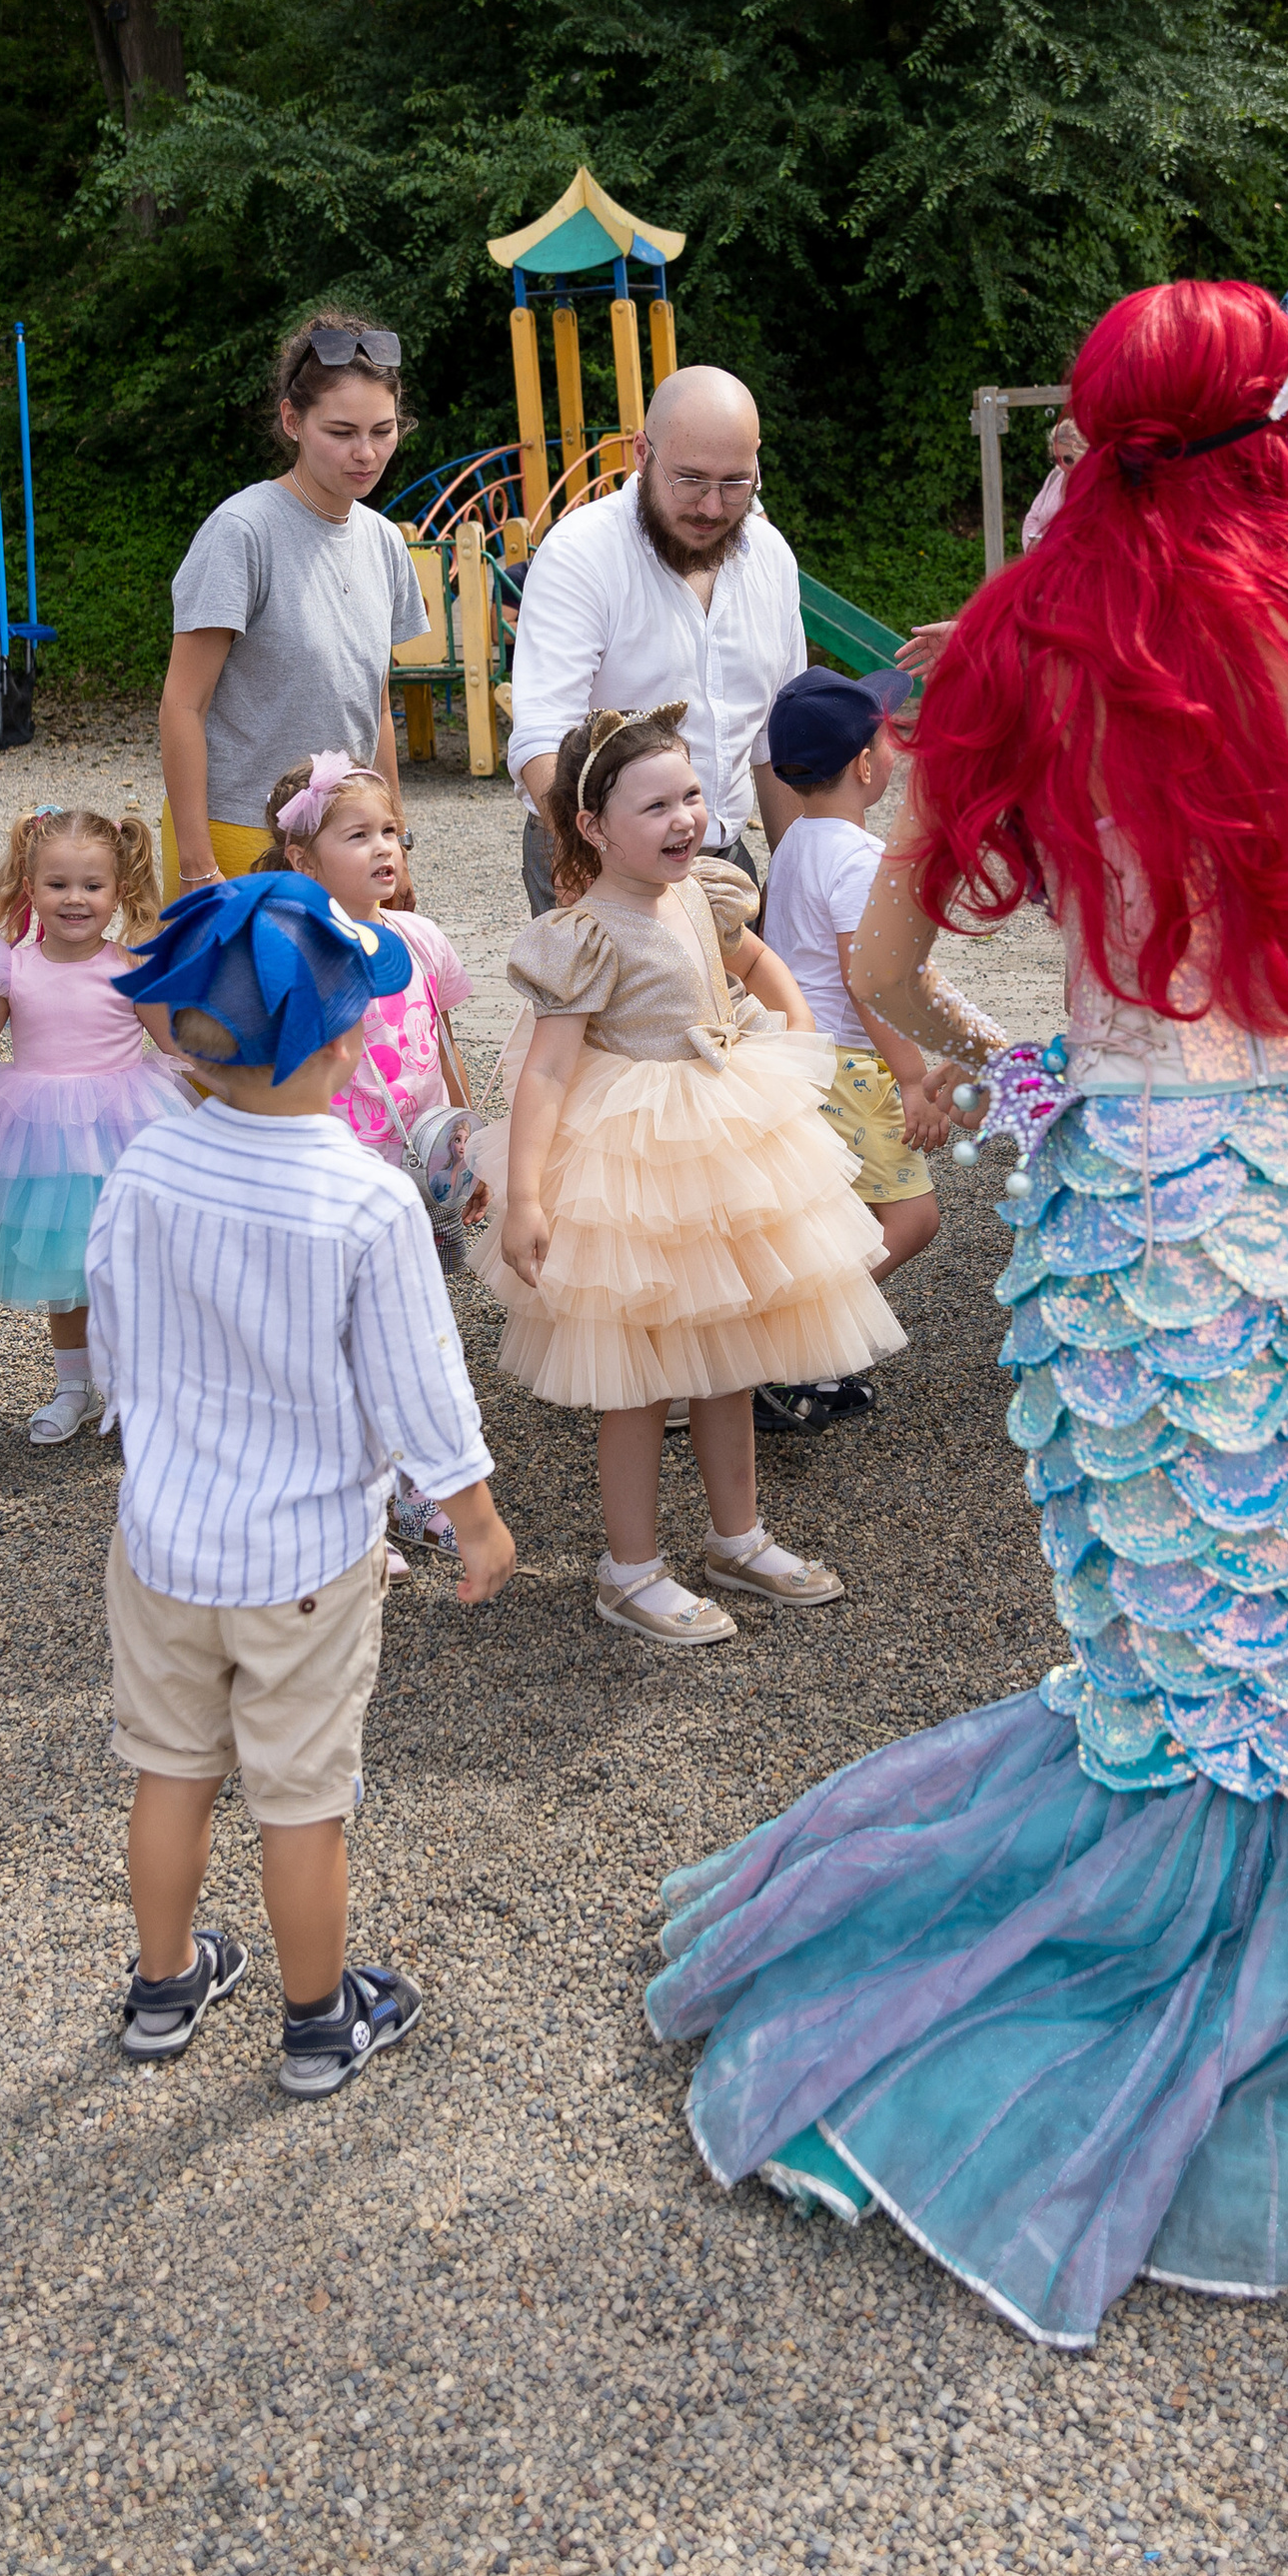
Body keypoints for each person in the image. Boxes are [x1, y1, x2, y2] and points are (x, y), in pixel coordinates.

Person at [642, 279, 1288, 2350]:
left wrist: (993, 1072)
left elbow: (899, 952)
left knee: (1181, 1606)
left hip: (1131, 1186)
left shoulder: (1022, 639)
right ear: (1270, 424)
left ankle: (1160, 1941)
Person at [85, 875, 516, 2075]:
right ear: (341, 1042)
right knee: (299, 1799)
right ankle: (319, 2021)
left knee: (169, 1771)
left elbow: (116, 1339)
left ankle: (163, 1990)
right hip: (304, 1559)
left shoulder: (147, 1167)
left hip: (162, 1537)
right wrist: (473, 1518)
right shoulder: (364, 1201)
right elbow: (417, 1384)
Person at [472, 709, 902, 1650]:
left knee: (730, 1355)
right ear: (593, 828)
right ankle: (629, 1568)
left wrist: (793, 1030)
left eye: (693, 796)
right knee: (639, 1377)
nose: (684, 819)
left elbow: (754, 962)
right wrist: (531, 1196)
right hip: (634, 1162)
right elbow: (545, 1070)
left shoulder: (704, 893)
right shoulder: (586, 933)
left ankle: (735, 1535)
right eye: (655, 804)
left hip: (722, 1140)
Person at [259, 747, 479, 1549]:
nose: (385, 847)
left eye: (391, 831)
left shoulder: (419, 939)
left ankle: (420, 1493)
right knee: (336, 1346)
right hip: (334, 1180)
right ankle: (346, 1506)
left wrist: (466, 1144)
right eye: (358, 836)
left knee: (419, 1336)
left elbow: (446, 1043)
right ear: (300, 858)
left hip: (415, 1176)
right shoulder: (294, 948)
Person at [0, 805, 181, 1443]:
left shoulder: (135, 968)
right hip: (43, 1144)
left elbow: (177, 1047)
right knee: (64, 1268)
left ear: (119, 891)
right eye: (58, 885)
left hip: (126, 1133)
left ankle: (139, 1385)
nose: (75, 899)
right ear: (31, 889)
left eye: (92, 885)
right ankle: (73, 1386)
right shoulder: (11, 968)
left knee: (129, 1264)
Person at [505, 367, 807, 919]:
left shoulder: (771, 559)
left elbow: (775, 744)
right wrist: (594, 865)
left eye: (735, 483)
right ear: (643, 453)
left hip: (723, 861)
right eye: (689, 480)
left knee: (737, 1009)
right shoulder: (582, 553)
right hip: (595, 856)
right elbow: (541, 739)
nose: (712, 507)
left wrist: (797, 878)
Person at [748, 665, 954, 1435]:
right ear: (867, 764)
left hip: (805, 1058)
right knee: (912, 1218)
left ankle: (811, 1357)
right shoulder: (857, 858)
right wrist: (912, 1077)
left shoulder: (799, 839)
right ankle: (784, 1351)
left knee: (847, 1214)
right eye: (889, 734)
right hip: (853, 1067)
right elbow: (867, 978)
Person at [159, 310, 427, 895]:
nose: (366, 453)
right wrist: (198, 864)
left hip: (346, 842)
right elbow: (182, 707)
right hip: (240, 834)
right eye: (341, 432)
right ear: (292, 421)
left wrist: (394, 840)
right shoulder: (241, 531)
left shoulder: (384, 541)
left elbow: (375, 709)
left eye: (383, 431)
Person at [1021, 418, 1081, 552]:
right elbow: (1032, 518)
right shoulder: (1055, 476)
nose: (1061, 465)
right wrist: (1032, 546)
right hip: (1046, 563)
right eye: (1055, 459)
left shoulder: (1095, 485)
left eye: (1068, 459)